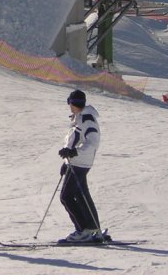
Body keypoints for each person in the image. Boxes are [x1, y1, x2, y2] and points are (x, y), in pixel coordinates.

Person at [58, 89, 103, 244]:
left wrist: (73, 153)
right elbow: (73, 141)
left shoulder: (86, 119)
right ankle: (94, 229)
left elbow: (92, 143)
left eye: (69, 102)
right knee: (82, 195)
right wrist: (66, 161)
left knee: (66, 196)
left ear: (72, 102)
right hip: (76, 162)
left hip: (80, 163)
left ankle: (83, 230)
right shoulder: (79, 118)